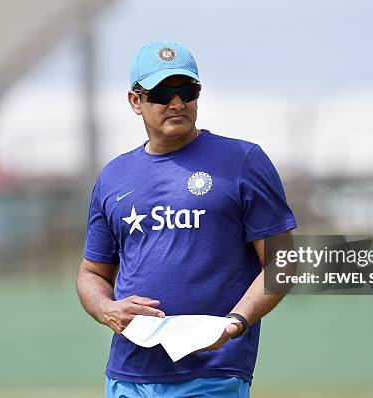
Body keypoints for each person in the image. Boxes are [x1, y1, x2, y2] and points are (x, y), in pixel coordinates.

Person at [76, 40, 297, 398]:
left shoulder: (243, 161)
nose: (177, 102)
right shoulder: (114, 176)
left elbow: (282, 263)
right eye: (163, 93)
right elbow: (92, 273)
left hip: (212, 375)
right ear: (136, 101)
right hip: (128, 376)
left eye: (187, 90)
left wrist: (234, 324)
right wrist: (107, 309)